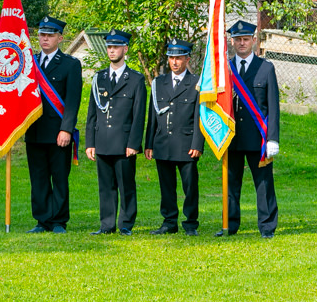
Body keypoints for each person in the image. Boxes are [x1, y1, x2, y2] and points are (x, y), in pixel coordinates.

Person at [216, 20, 280, 239]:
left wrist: (273, 138)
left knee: (263, 184)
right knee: (230, 183)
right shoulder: (225, 69)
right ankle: (230, 224)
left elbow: (273, 106)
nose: (241, 43)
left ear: (254, 40)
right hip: (231, 137)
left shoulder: (265, 68)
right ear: (231, 42)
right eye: (237, 39)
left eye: (245, 39)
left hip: (258, 138)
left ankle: (267, 226)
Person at [24, 16, 82, 234]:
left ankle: (58, 221)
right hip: (35, 130)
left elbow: (73, 100)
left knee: (59, 177)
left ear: (60, 37)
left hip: (58, 132)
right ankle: (42, 220)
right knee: (38, 178)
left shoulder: (70, 65)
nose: (44, 39)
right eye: (41, 35)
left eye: (49, 35)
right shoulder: (29, 63)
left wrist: (66, 129)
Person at [85, 29, 147, 236]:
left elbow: (139, 116)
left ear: (125, 49)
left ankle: (126, 224)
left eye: (116, 47)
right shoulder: (99, 78)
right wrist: (90, 143)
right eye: (109, 47)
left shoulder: (135, 79)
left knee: (126, 185)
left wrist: (134, 144)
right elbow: (92, 113)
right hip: (103, 140)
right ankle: (107, 225)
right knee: (106, 187)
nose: (112, 51)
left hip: (123, 142)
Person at [144, 39, 204, 236]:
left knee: (190, 187)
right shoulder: (159, 83)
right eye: (171, 58)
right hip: (163, 143)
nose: (174, 62)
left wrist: (197, 143)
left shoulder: (196, 83)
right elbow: (153, 114)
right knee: (166, 187)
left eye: (179, 58)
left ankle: (190, 223)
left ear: (187, 59)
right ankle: (169, 222)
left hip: (186, 143)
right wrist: (149, 143)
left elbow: (198, 116)